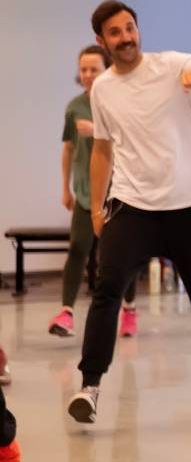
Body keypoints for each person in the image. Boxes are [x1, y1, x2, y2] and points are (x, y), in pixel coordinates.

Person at [68, 0, 191, 424]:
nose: (126, 37)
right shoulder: (103, 89)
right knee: (107, 287)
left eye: (130, 27)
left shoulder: (170, 66)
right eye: (115, 32)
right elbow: (102, 148)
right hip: (133, 204)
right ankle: (89, 386)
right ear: (102, 40)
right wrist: (97, 206)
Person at [50, 45, 138, 339]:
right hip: (86, 194)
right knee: (77, 250)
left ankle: (130, 309)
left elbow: (131, 138)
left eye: (93, 69)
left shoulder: (120, 101)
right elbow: (68, 148)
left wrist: (98, 127)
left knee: (119, 258)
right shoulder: (74, 107)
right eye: (83, 69)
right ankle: (66, 312)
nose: (87, 74)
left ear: (106, 69)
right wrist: (65, 188)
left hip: (118, 194)